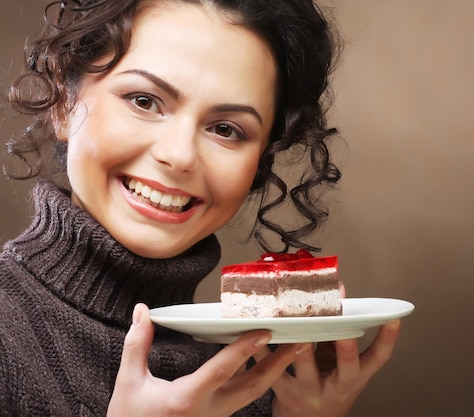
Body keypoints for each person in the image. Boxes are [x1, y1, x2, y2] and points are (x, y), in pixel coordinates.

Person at [0, 0, 402, 416]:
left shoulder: (261, 372)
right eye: (143, 100)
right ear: (63, 104)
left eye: (225, 130)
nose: (179, 156)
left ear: (262, 161)